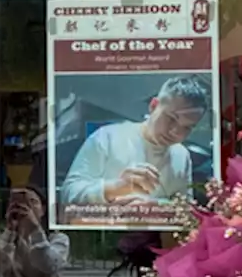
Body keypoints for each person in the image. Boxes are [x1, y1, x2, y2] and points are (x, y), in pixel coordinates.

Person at [59, 75, 210, 213]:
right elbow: (67, 195)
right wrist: (117, 187)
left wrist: (157, 207)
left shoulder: (181, 155)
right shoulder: (107, 137)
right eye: (171, 118)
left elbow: (187, 208)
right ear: (153, 106)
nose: (176, 132)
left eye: (187, 127)